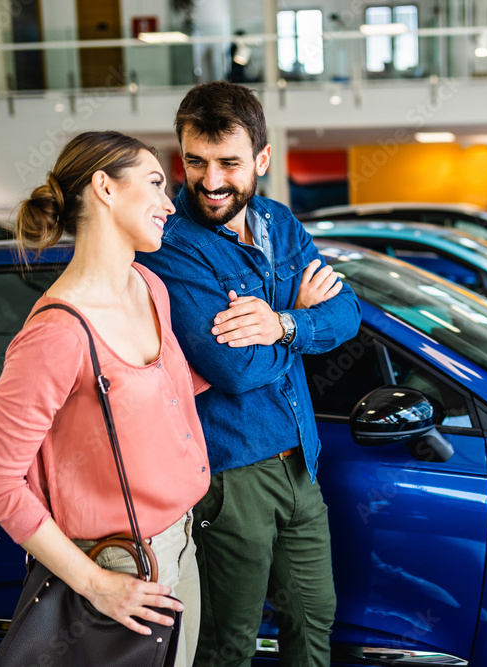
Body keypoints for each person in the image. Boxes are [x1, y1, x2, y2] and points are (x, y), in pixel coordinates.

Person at [136, 81, 361, 667]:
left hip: (301, 461)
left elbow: (348, 312)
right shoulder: (170, 245)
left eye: (229, 163)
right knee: (227, 644)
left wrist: (284, 323)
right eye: (196, 162)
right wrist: (304, 324)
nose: (210, 181)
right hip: (232, 474)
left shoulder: (278, 222)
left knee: (313, 621)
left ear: (262, 159)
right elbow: (233, 368)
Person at [0, 131, 211, 667]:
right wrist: (95, 583)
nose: (170, 204)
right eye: (155, 183)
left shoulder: (148, 285)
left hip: (179, 542)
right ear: (104, 187)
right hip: (117, 566)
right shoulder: (56, 334)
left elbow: (166, 395)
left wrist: (276, 328)